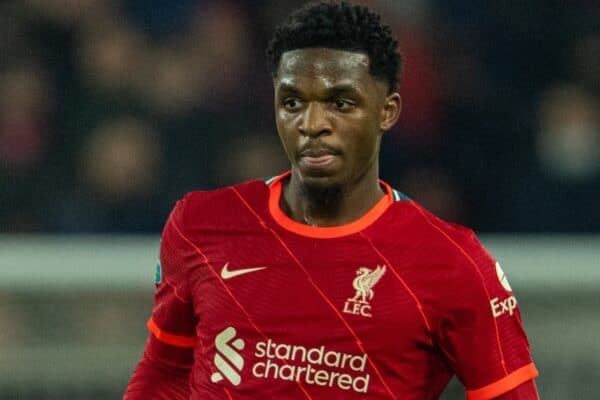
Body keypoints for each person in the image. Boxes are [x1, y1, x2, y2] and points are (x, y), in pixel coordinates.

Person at [124, 2, 539, 399]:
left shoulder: (453, 263)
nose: (312, 124)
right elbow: (166, 371)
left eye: (340, 103)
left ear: (387, 111)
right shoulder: (201, 224)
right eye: (292, 102)